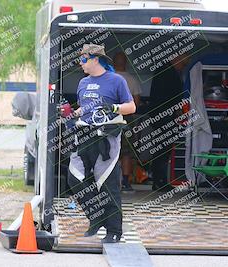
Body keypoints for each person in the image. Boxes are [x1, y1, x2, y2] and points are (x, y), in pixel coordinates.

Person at [67, 44, 136, 243]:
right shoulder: (83, 83)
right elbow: (84, 108)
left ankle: (114, 231)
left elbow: (131, 107)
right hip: (84, 137)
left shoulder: (116, 81)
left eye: (83, 59)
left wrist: (114, 107)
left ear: (95, 59)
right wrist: (73, 114)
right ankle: (96, 216)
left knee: (108, 185)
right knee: (74, 178)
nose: (80, 63)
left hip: (107, 139)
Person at [149, 54, 190, 191]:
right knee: (163, 149)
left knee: (162, 148)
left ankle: (159, 180)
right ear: (176, 60)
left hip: (161, 116)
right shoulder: (168, 73)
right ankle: (159, 180)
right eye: (183, 64)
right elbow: (172, 95)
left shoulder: (165, 71)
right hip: (164, 117)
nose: (182, 68)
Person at [113, 52, 141, 192]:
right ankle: (125, 182)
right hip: (127, 119)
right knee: (126, 152)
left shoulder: (107, 79)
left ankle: (110, 181)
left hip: (109, 119)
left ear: (112, 63)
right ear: (126, 63)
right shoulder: (132, 79)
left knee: (109, 150)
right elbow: (136, 103)